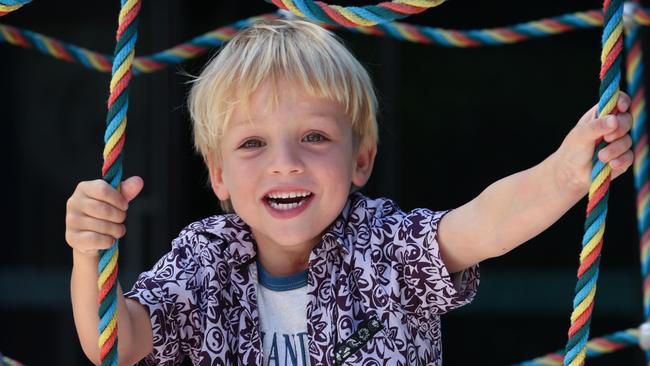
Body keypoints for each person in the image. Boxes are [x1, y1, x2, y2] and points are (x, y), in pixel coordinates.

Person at [65, 19, 634, 366]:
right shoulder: (203, 258)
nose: (284, 165)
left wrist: (563, 173)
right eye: (252, 144)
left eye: (314, 137)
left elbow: (481, 225)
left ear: (360, 160)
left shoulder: (384, 247)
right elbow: (114, 343)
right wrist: (89, 251)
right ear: (218, 176)